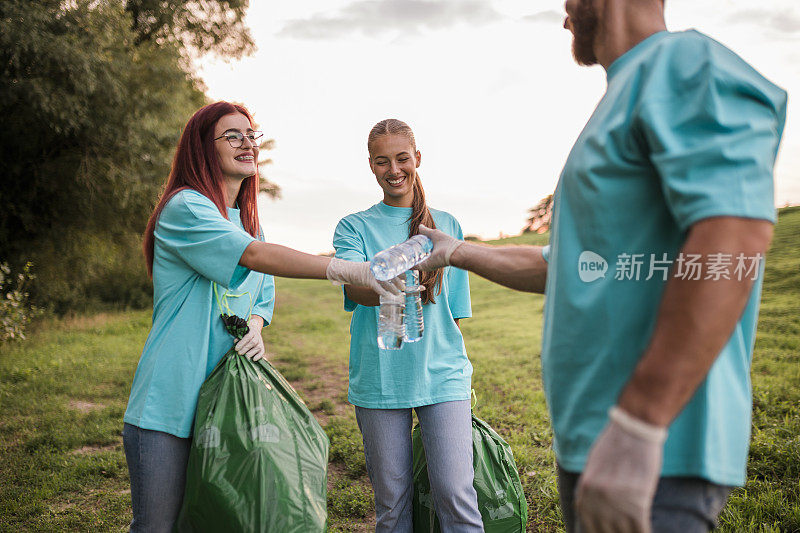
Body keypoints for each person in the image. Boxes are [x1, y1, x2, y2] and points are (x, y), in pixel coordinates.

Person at [413, 1, 787, 531]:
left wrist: (640, 425)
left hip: (656, 450)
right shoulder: (622, 95)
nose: (563, 15)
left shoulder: (682, 64)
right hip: (598, 441)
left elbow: (735, 236)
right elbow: (569, 264)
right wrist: (456, 251)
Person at [122, 101, 400, 533]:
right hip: (170, 402)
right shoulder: (185, 207)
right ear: (202, 148)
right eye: (232, 135)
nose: (247, 143)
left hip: (228, 409)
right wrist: (354, 269)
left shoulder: (247, 220)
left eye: (251, 134)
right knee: (159, 527)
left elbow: (261, 288)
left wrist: (255, 324)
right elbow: (253, 257)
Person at [332, 119, 483, 532]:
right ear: (371, 166)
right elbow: (356, 291)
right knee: (392, 505)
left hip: (442, 376)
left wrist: (461, 383)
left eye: (402, 158)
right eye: (383, 162)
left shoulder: (446, 225)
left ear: (417, 158)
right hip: (380, 379)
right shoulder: (354, 226)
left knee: (455, 494)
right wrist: (388, 276)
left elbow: (454, 314)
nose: (393, 169)